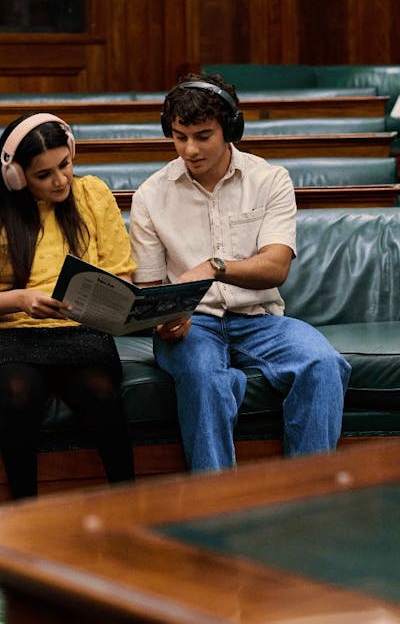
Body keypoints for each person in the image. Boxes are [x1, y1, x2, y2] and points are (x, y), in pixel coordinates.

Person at [129, 73, 352, 471]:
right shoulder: (150, 194)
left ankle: (312, 497)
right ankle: (218, 511)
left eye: (202, 135)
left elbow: (276, 267)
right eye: (180, 137)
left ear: (230, 129)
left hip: (260, 319)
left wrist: (215, 267)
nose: (189, 149)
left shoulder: (270, 180)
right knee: (205, 380)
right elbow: (147, 290)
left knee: (323, 363)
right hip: (193, 324)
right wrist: (163, 322)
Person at [0, 112, 136, 499]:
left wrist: (113, 300)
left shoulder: (92, 193)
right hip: (14, 336)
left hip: (83, 331)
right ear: (16, 177)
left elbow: (120, 275)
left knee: (100, 393)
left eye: (65, 164)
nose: (61, 180)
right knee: (16, 393)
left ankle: (129, 507)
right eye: (43, 175)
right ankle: (28, 515)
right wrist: (21, 300)